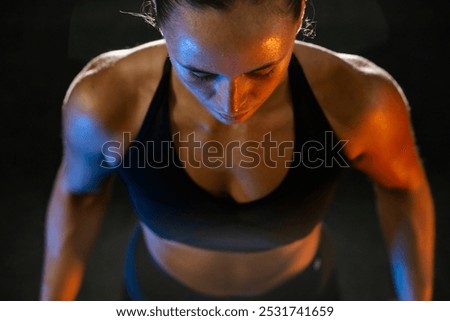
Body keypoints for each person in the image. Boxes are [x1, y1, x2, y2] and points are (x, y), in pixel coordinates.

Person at [40, 0, 435, 300]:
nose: (232, 103)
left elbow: (403, 190)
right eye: (200, 72)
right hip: (157, 293)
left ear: (299, 17)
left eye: (262, 70)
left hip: (303, 294)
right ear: (160, 23)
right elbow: (79, 200)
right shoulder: (105, 101)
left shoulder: (362, 100)